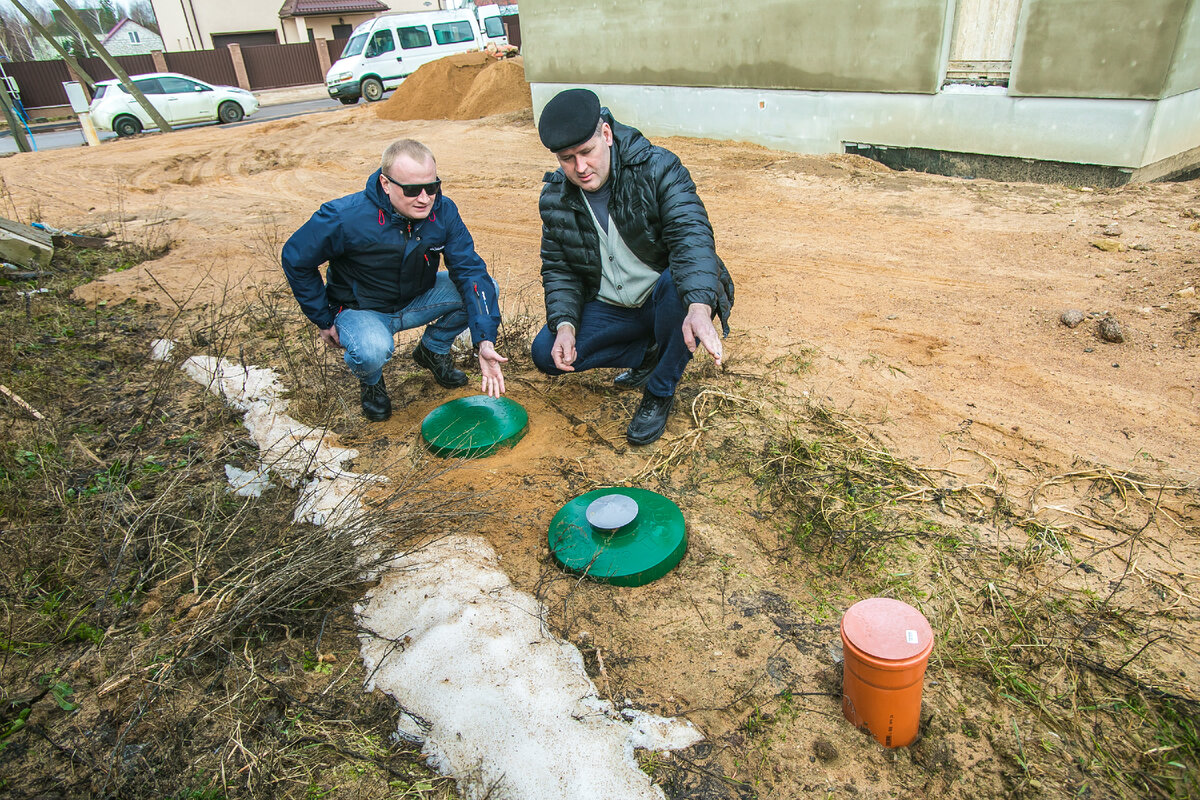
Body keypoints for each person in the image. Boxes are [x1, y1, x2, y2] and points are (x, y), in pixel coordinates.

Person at [531, 89, 734, 445]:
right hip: (613, 307)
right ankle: (649, 353)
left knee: (679, 286)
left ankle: (659, 390)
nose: (580, 167)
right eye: (567, 158)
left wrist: (700, 306)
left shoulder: (658, 167)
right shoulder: (555, 198)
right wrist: (564, 324)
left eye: (587, 152)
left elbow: (692, 234)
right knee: (545, 353)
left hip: (663, 298)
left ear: (606, 135)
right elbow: (559, 268)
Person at [282, 139, 507, 421]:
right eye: (412, 190)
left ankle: (432, 350)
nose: (424, 198)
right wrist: (323, 317)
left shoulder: (443, 212)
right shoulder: (344, 217)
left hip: (417, 299)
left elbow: (470, 270)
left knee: (487, 289)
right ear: (386, 184)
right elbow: (295, 258)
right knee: (373, 349)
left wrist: (484, 341)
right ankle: (372, 382)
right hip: (362, 310)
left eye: (432, 187)